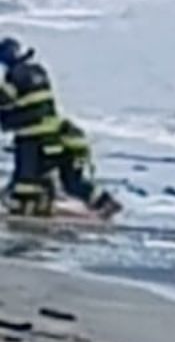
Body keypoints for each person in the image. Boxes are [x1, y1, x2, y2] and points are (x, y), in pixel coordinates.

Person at [0, 36, 64, 217]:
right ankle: (44, 203)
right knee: (42, 170)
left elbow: (4, 99)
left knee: (26, 174)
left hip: (30, 132)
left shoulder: (15, 75)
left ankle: (25, 205)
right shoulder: (38, 71)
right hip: (52, 131)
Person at [43, 119, 121, 219]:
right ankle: (103, 202)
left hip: (72, 152)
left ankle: (105, 202)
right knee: (71, 183)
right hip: (72, 151)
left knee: (73, 184)